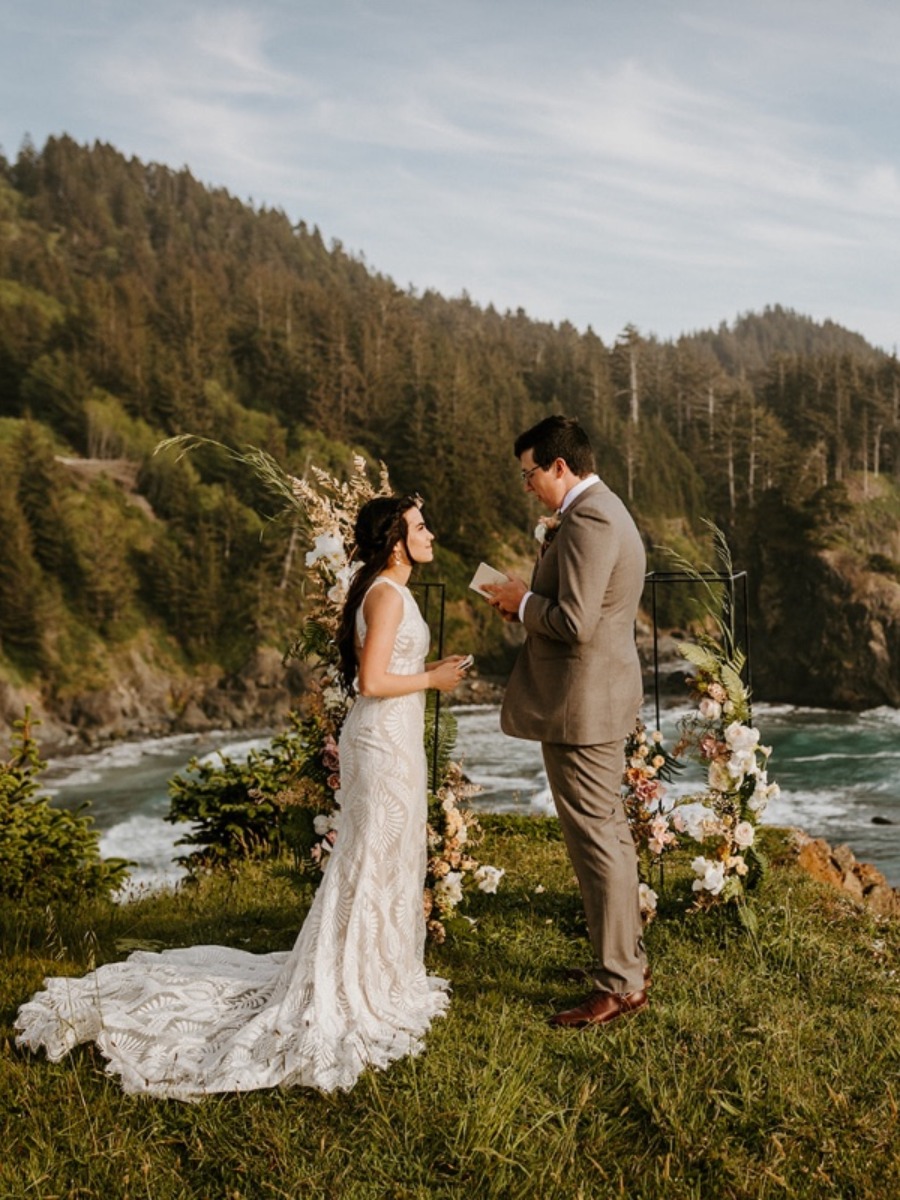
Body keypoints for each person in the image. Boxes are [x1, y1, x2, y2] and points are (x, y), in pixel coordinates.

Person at [15, 494, 470, 1097]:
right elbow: (371, 680)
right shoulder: (386, 593)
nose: (431, 533)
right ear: (395, 540)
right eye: (420, 526)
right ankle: (356, 980)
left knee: (386, 857)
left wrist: (430, 668)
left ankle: (380, 969)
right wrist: (432, 678)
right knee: (370, 858)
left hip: (393, 737)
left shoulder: (390, 590)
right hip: (384, 742)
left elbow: (384, 669)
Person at [484, 415, 648, 1028]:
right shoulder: (598, 512)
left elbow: (575, 622)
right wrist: (527, 597)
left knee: (597, 841)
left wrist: (521, 602)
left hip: (584, 705)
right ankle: (624, 959)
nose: (526, 486)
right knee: (608, 835)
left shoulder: (590, 518)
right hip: (595, 696)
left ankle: (620, 983)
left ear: (559, 466)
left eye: (530, 474)